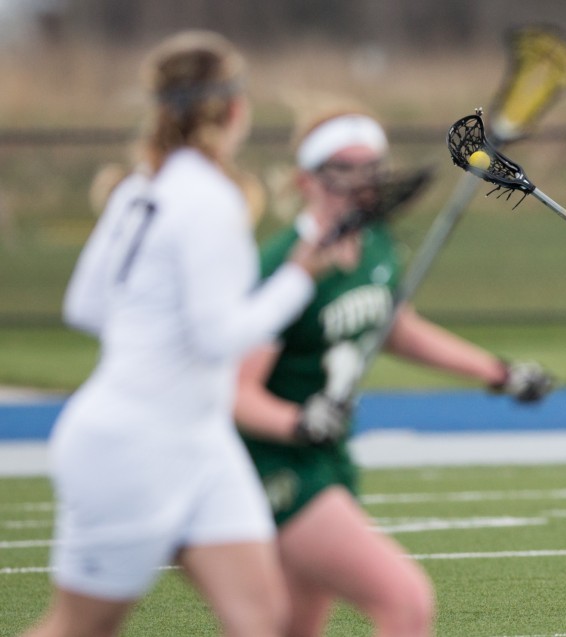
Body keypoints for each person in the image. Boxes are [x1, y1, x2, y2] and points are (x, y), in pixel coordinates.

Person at [22, 31, 347, 637]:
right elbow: (219, 338)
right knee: (81, 627)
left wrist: (151, 328)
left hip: (199, 441)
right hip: (134, 444)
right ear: (233, 109)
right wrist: (300, 275)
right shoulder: (207, 197)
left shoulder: (143, 187)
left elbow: (85, 306)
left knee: (264, 620)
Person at [233, 104, 555, 637]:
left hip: (327, 454)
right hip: (273, 462)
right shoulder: (282, 266)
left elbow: (394, 327)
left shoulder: (374, 243)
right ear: (306, 180)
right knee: (403, 602)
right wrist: (298, 423)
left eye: (370, 166)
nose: (362, 180)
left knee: (295, 626)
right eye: (344, 167)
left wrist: (498, 373)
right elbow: (234, 393)